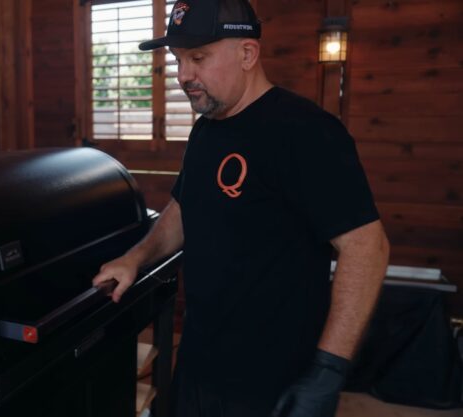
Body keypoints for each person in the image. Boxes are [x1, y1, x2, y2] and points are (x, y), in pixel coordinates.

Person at [91, 0, 390, 416]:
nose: (182, 75)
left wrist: (328, 371)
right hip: (198, 359)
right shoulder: (207, 128)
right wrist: (135, 258)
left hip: (272, 379)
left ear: (248, 54)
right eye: (178, 59)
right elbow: (185, 204)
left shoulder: (306, 133)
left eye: (198, 58)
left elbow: (367, 249)